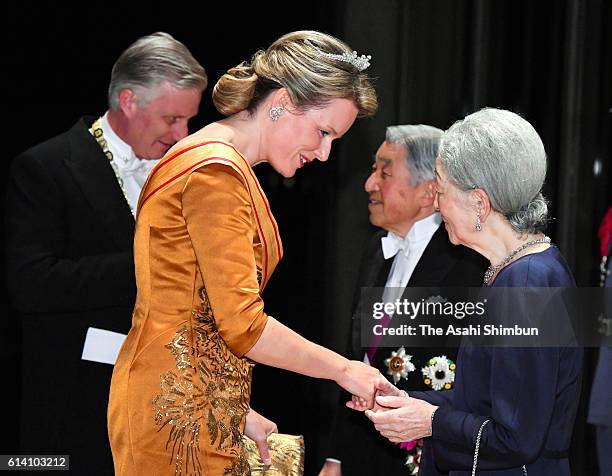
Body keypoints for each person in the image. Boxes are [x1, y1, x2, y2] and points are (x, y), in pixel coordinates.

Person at [107, 30, 384, 475]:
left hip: (190, 402)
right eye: (323, 131)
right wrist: (345, 369)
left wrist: (234, 408)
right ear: (283, 102)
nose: (326, 152)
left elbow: (198, 314)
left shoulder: (216, 161)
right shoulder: (216, 171)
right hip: (173, 413)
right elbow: (243, 327)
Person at [4, 32, 206, 474]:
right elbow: (32, 284)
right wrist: (153, 263)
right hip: (72, 411)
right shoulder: (45, 167)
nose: (182, 134)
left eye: (188, 121)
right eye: (172, 118)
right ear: (129, 101)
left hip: (169, 408)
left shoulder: (189, 175)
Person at [361, 108, 583, 475]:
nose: (435, 204)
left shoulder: (525, 283)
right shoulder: (517, 270)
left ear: (479, 203)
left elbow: (517, 438)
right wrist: (408, 400)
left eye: (442, 190)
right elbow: (484, 400)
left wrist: (430, 420)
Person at [319, 125, 487, 476]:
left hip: (429, 458)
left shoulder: (468, 262)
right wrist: (335, 456)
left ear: (429, 192)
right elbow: (359, 359)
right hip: (362, 452)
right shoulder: (376, 250)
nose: (369, 184)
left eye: (385, 172)